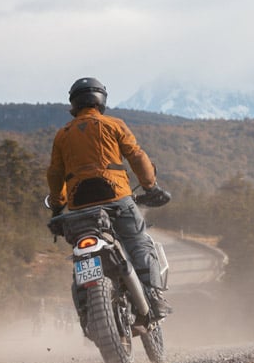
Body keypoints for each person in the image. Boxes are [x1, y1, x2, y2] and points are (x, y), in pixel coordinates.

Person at [46, 77, 172, 322]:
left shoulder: (62, 135)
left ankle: (87, 312)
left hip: (79, 209)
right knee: (138, 242)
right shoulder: (114, 125)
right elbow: (137, 157)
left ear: (74, 103)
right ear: (101, 100)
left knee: (80, 257)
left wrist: (58, 202)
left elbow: (55, 173)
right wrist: (151, 186)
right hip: (118, 200)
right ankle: (154, 297)